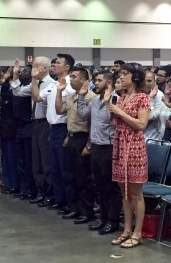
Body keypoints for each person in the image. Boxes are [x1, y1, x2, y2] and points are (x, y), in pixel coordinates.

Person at [109, 63, 150, 248]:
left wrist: (120, 112)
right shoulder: (122, 97)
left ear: (134, 77)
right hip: (119, 144)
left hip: (134, 146)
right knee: (124, 192)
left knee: (135, 192)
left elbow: (141, 124)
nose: (121, 77)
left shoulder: (142, 98)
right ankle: (126, 230)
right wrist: (110, 109)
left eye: (125, 74)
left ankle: (137, 232)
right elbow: (116, 124)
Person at [78, 71, 122, 235]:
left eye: (99, 80)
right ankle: (102, 218)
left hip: (108, 147)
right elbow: (82, 114)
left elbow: (115, 124)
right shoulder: (96, 101)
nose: (95, 83)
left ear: (109, 82)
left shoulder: (115, 100)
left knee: (110, 187)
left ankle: (113, 220)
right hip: (96, 147)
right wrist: (81, 97)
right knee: (99, 186)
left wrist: (108, 102)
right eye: (95, 81)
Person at [32, 53, 75, 212]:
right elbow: (36, 98)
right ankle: (59, 199)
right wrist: (34, 80)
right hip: (52, 129)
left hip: (64, 128)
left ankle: (70, 203)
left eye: (57, 63)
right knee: (54, 168)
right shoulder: (52, 85)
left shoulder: (71, 85)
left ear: (67, 67)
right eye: (54, 63)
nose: (54, 65)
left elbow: (72, 111)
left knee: (65, 169)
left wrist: (68, 133)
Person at [11, 57, 56, 205]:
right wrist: (16, 74)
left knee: (46, 161)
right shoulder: (34, 83)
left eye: (35, 66)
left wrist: (34, 81)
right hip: (34, 124)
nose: (32, 68)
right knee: (36, 160)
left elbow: (39, 100)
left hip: (45, 124)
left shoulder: (51, 84)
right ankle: (40, 191)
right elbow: (17, 92)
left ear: (44, 68)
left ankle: (50, 193)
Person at [55, 67, 96, 224]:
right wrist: (59, 91)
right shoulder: (72, 96)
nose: (70, 79)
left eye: (74, 77)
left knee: (83, 178)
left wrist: (89, 144)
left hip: (83, 139)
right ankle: (75, 208)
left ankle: (87, 211)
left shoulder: (90, 97)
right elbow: (59, 110)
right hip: (72, 138)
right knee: (71, 175)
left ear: (84, 80)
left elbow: (92, 122)